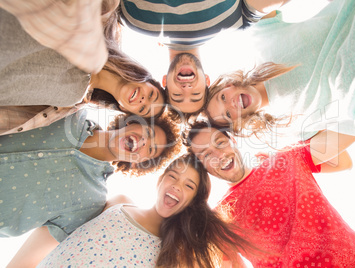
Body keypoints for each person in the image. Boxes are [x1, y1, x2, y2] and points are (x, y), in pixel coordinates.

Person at [183, 121, 355, 267]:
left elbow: (343, 160)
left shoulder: (286, 158)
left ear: (233, 141)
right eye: (206, 155)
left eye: (220, 143)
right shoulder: (219, 218)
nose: (219, 155)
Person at [205, 0, 355, 148]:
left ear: (227, 85)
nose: (230, 103)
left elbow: (256, 6)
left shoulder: (261, 38)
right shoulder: (291, 129)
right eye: (228, 115)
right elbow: (349, 127)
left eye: (222, 97)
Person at [8, 154, 257, 267]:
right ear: (160, 181)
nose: (176, 186)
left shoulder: (175, 253)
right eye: (173, 176)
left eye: (188, 185)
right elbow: (57, 233)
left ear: (192, 202)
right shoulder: (118, 202)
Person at [0, 108, 181, 243]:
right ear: (132, 121)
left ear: (140, 162)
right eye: (147, 133)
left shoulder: (91, 202)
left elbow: (39, 248)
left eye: (150, 149)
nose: (143, 142)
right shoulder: (70, 112)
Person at [0, 2, 166, 137]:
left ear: (124, 109)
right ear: (146, 78)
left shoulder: (71, 97)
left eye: (143, 109)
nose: (144, 100)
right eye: (152, 95)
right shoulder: (103, 24)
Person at [119, 0, 290, 116]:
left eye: (178, 95)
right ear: (206, 80)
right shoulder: (237, 23)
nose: (186, 87)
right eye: (195, 94)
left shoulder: (132, 21)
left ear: (165, 81)